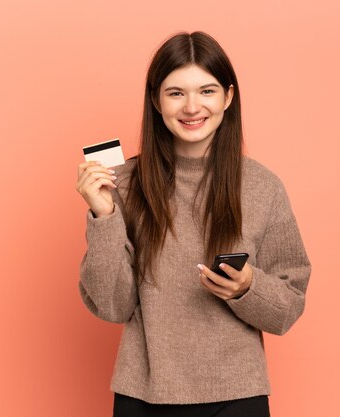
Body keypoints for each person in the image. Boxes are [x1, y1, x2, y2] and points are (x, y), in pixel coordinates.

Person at [76, 31, 311, 417]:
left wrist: (247, 286)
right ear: (155, 100)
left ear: (228, 97)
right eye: (175, 93)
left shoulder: (262, 187)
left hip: (238, 395)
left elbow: (287, 310)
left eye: (206, 91)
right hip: (144, 396)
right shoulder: (123, 182)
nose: (191, 107)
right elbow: (112, 306)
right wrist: (104, 216)